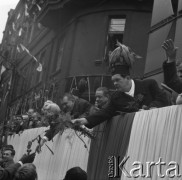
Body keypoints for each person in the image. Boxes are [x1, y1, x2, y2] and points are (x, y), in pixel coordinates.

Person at [72, 42, 170, 128]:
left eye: (117, 80)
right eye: (113, 81)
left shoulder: (149, 84)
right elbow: (105, 112)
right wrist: (85, 120)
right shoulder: (116, 97)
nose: (115, 83)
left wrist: (151, 108)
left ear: (127, 78)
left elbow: (163, 100)